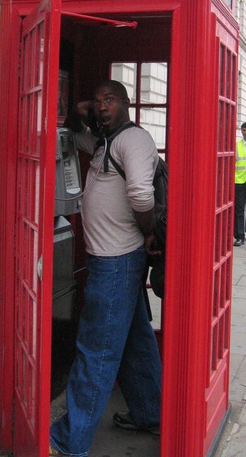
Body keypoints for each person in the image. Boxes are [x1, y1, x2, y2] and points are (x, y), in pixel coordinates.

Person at [49, 81, 162, 456]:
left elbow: (142, 196)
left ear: (127, 103)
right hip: (109, 259)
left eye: (109, 100)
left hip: (117, 262)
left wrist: (149, 235)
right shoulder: (105, 142)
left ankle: (69, 440)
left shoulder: (134, 141)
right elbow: (72, 136)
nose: (101, 107)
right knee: (135, 342)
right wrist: (82, 109)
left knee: (95, 352)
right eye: (97, 101)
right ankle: (151, 413)